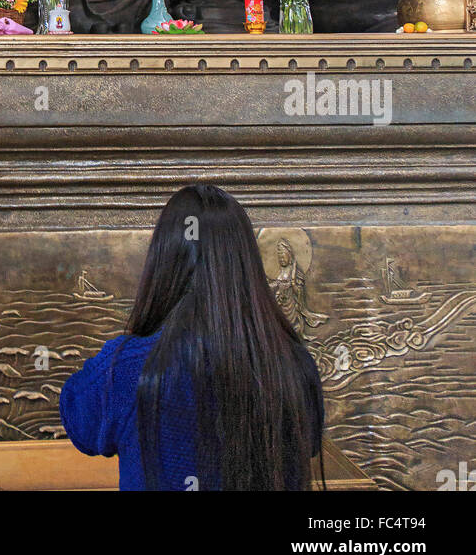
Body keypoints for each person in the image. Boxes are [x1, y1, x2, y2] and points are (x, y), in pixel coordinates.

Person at [60, 184, 324, 491]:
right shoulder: (293, 363)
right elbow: (310, 443)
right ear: (246, 263)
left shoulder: (127, 368)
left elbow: (79, 419)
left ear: (163, 264)